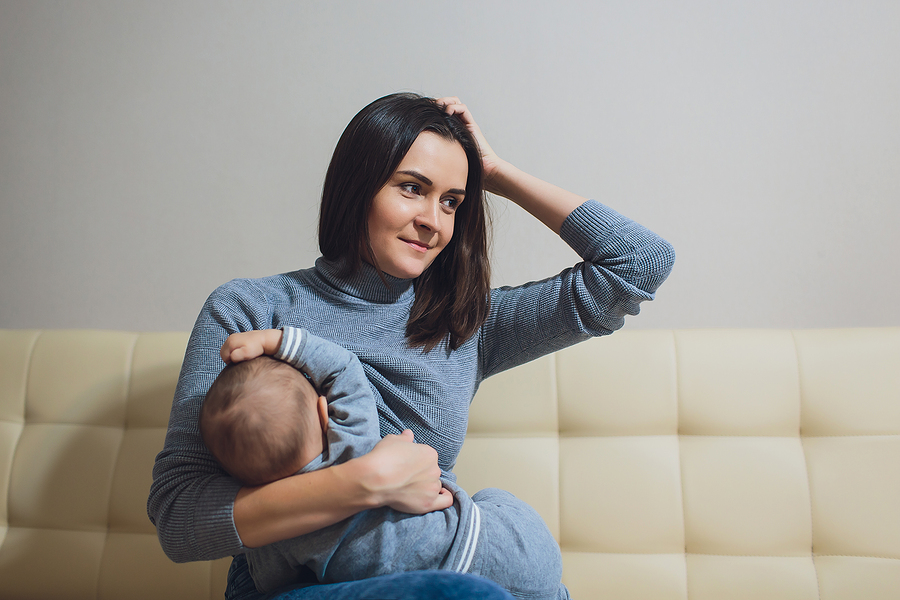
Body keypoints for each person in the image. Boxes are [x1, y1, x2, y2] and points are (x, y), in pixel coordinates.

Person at [148, 92, 676, 600]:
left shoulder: (466, 321)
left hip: (429, 568)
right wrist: (363, 483)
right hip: (295, 585)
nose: (434, 220)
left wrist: (496, 174)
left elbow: (640, 263)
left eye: (451, 201)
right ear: (358, 188)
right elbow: (179, 518)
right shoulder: (251, 310)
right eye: (411, 188)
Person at [199, 327, 568, 598]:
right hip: (506, 542)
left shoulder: (274, 535)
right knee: (491, 498)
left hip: (462, 571)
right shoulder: (352, 443)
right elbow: (343, 368)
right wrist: (274, 341)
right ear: (324, 411)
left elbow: (266, 584)